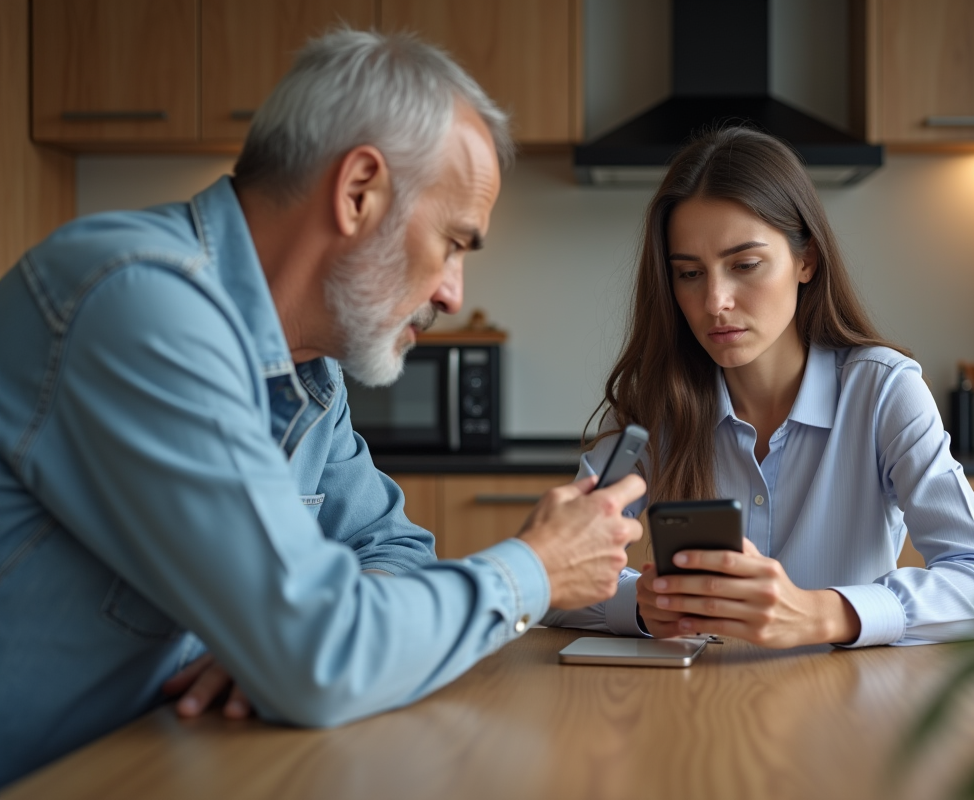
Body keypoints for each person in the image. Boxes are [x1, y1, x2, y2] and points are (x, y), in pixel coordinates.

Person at [0, 30, 643, 786]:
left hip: (166, 762)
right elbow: (316, 656)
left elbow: (395, 553)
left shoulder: (310, 376)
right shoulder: (138, 303)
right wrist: (535, 569)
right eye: (455, 243)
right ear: (358, 191)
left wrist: (280, 639)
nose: (452, 294)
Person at [546, 127, 974, 647]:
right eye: (689, 274)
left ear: (806, 259)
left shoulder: (883, 392)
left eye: (744, 265)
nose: (715, 301)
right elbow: (551, 577)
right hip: (689, 711)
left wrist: (823, 614)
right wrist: (639, 605)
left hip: (843, 711)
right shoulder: (649, 406)